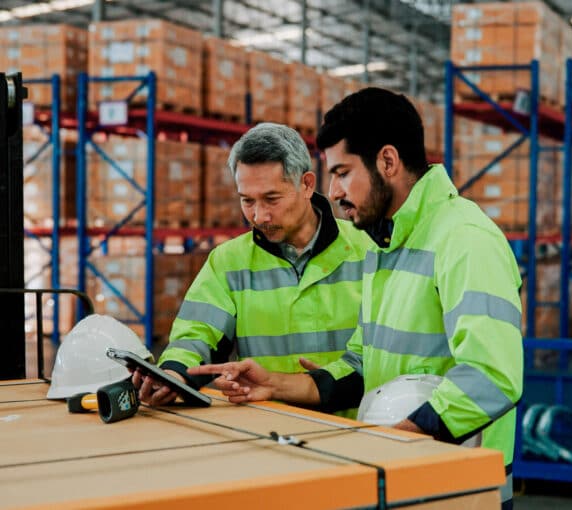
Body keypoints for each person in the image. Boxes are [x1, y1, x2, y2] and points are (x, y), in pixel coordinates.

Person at [189, 88, 523, 509]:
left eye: (342, 172)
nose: (333, 191)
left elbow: (494, 375)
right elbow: (363, 362)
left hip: (459, 483)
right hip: (406, 474)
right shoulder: (384, 245)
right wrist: (277, 384)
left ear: (387, 161)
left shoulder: (465, 240)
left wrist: (397, 437)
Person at [134, 122, 372, 417]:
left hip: (359, 428)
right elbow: (196, 333)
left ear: (307, 184)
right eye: (247, 201)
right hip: (267, 428)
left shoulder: (369, 250)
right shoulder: (228, 262)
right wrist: (175, 373)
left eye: (272, 199)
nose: (259, 216)